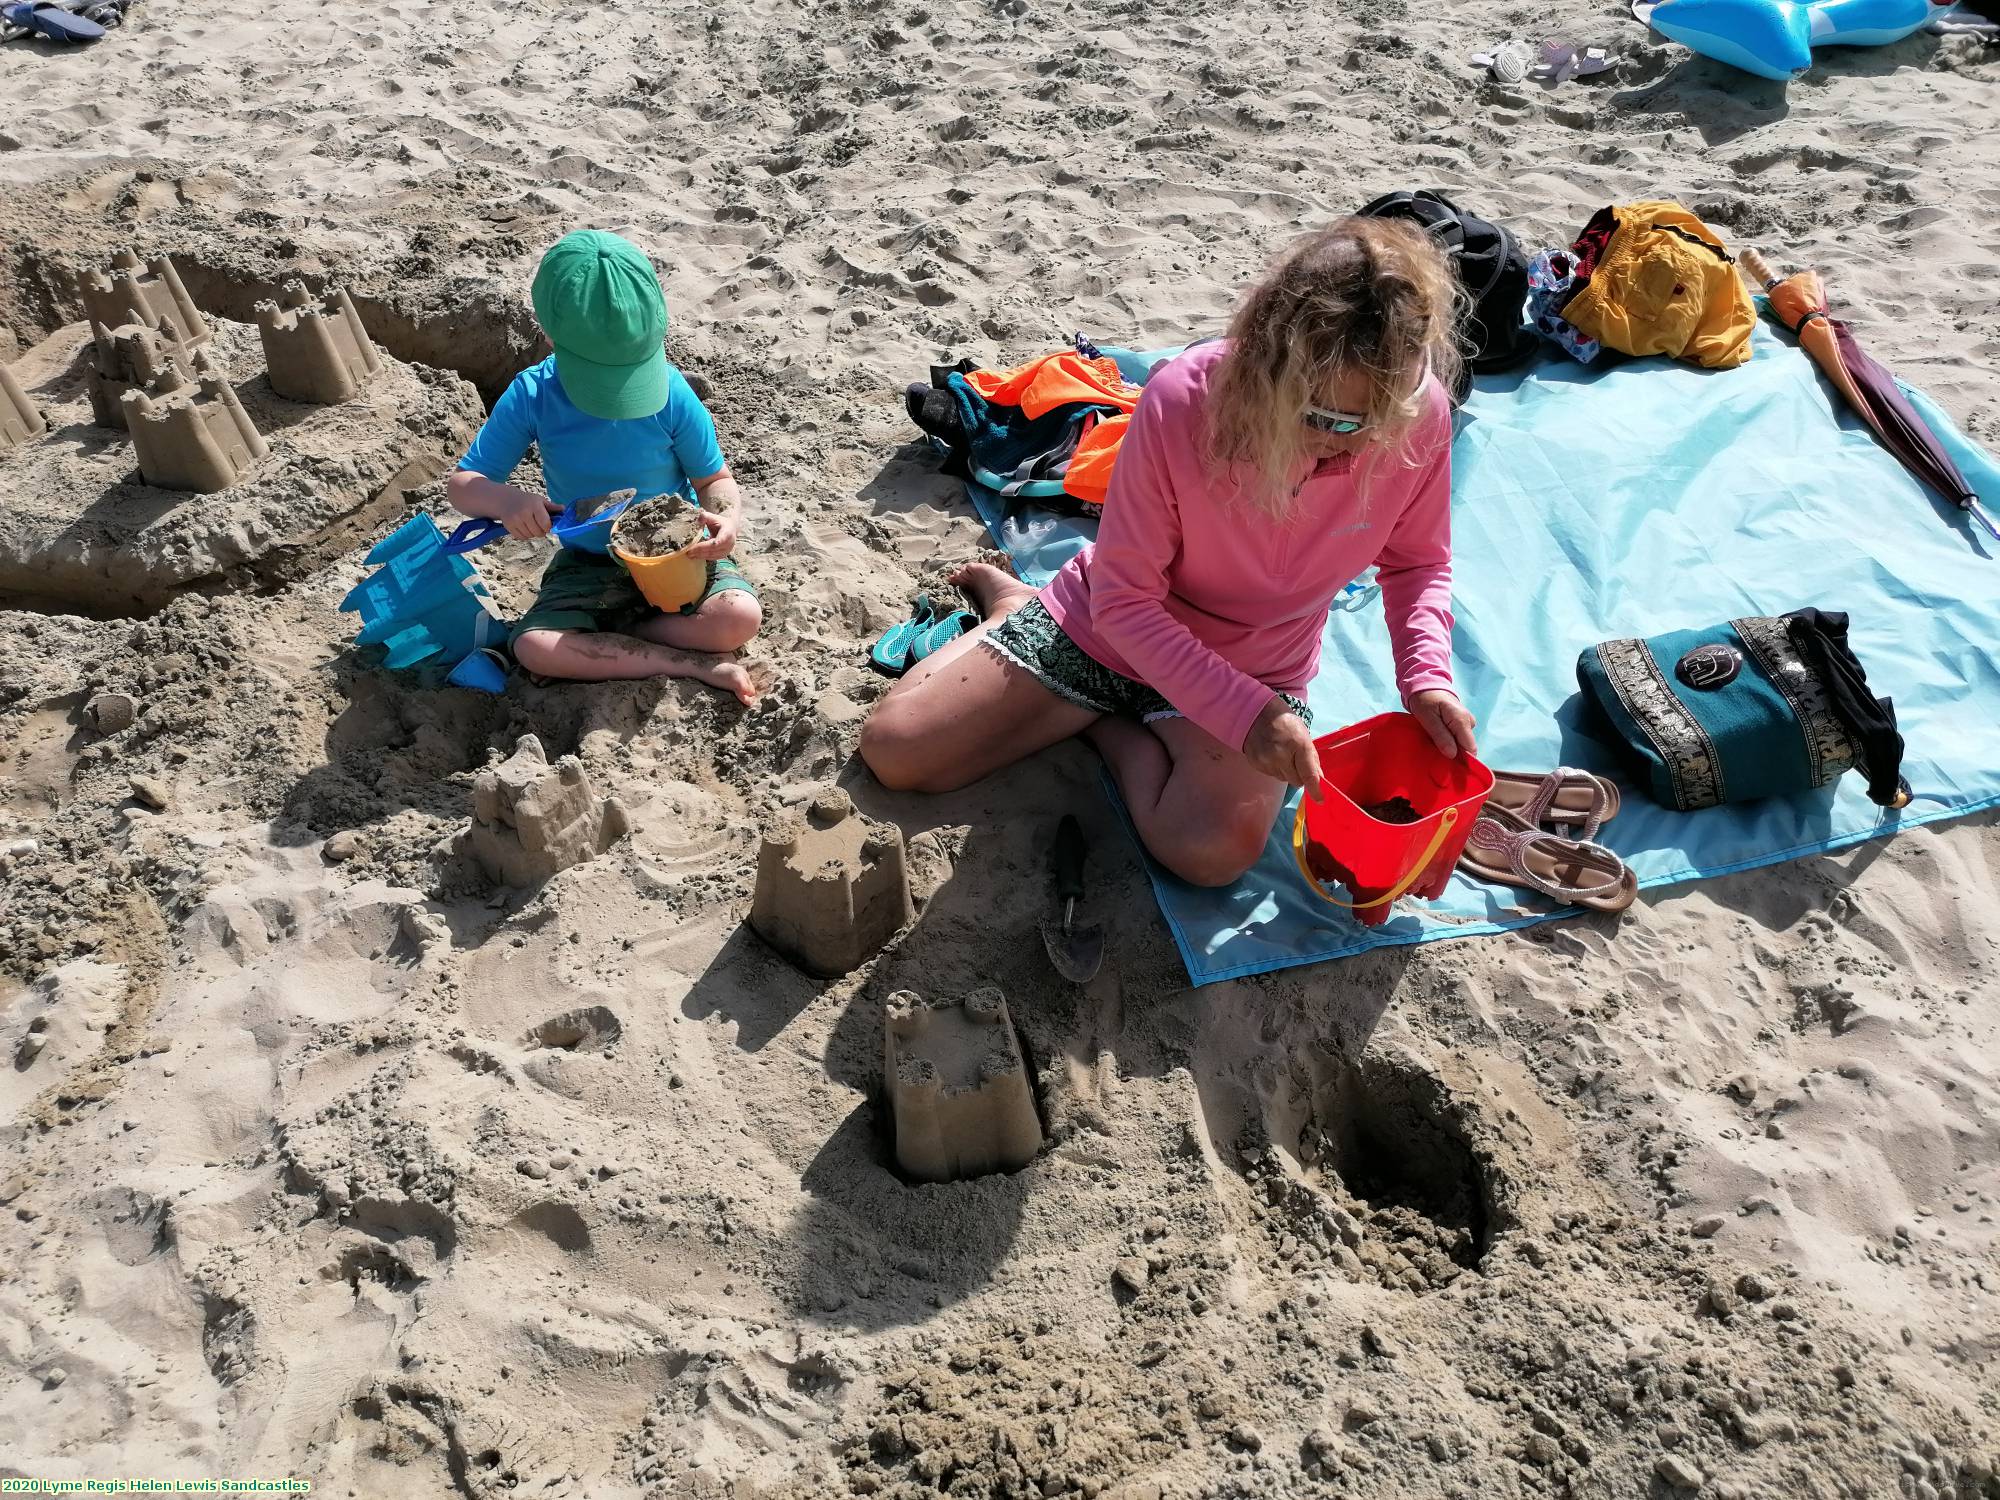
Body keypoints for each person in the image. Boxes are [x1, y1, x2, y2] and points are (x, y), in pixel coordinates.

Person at [861, 218, 1479, 887]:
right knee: (898, 752)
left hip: (1253, 664)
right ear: (1268, 371)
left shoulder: (1419, 415)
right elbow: (1126, 601)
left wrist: (1426, 678)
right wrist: (1247, 722)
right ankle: (1022, 614)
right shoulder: (1186, 401)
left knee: (1211, 853)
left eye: (1380, 419)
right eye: (1329, 420)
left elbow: (1417, 562)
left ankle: (1098, 724)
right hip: (1111, 626)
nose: (1358, 444)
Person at [448, 229, 765, 703]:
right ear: (548, 333)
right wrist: (508, 501)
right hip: (589, 560)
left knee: (739, 617)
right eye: (602, 380)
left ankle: (620, 638)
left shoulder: (673, 392)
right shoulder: (533, 395)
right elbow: (463, 485)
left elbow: (714, 479)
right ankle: (681, 661)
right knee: (534, 647)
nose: (617, 399)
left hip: (677, 555)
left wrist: (726, 519)